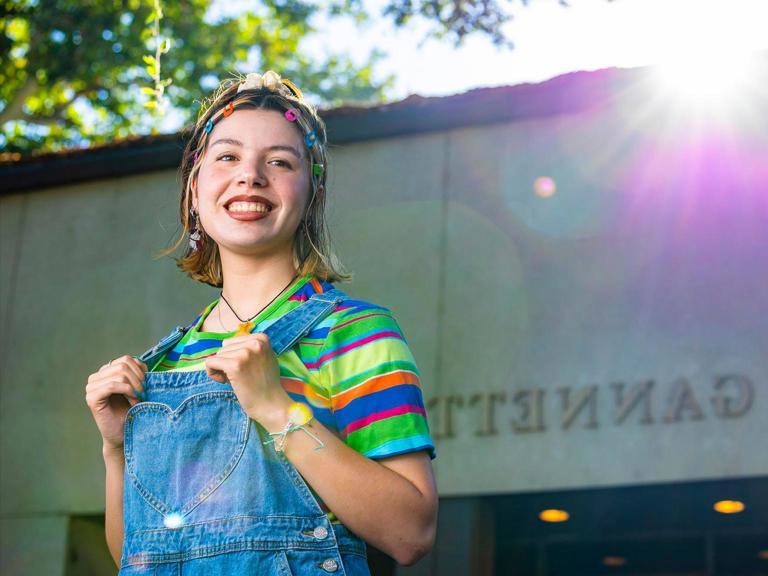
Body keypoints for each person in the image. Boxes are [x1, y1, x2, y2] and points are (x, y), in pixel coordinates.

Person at [84, 70, 438, 575]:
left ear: (311, 194)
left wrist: (276, 409)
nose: (250, 175)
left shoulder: (355, 332)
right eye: (227, 157)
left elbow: (411, 533)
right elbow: (137, 557)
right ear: (194, 187)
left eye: (279, 161)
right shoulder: (164, 362)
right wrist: (116, 448)